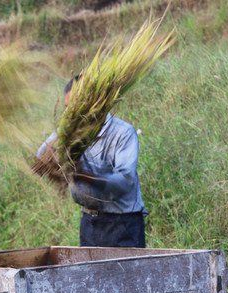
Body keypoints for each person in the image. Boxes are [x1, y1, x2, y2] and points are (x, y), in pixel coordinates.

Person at [37, 75, 147, 248]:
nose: (69, 114)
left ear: (95, 103)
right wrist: (50, 153)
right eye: (67, 108)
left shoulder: (123, 133)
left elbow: (124, 182)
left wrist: (86, 176)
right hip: (89, 222)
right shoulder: (70, 132)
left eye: (75, 107)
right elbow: (42, 154)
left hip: (123, 225)